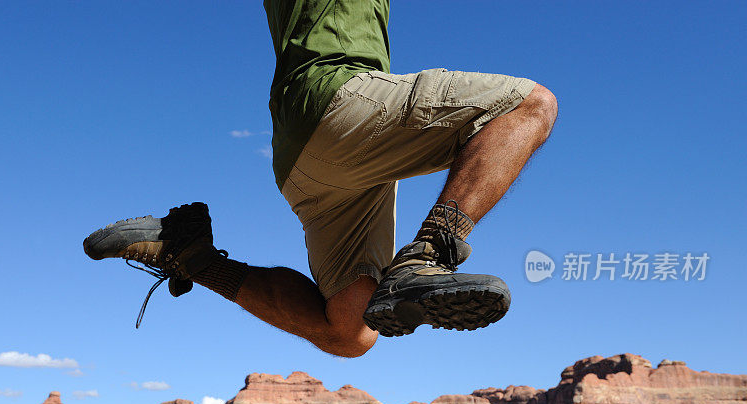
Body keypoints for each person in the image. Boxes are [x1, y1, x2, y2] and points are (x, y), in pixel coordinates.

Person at [83, 0, 557, 357]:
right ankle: (429, 254)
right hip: (337, 102)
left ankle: (190, 255)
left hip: (314, 154)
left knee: (349, 332)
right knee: (529, 105)